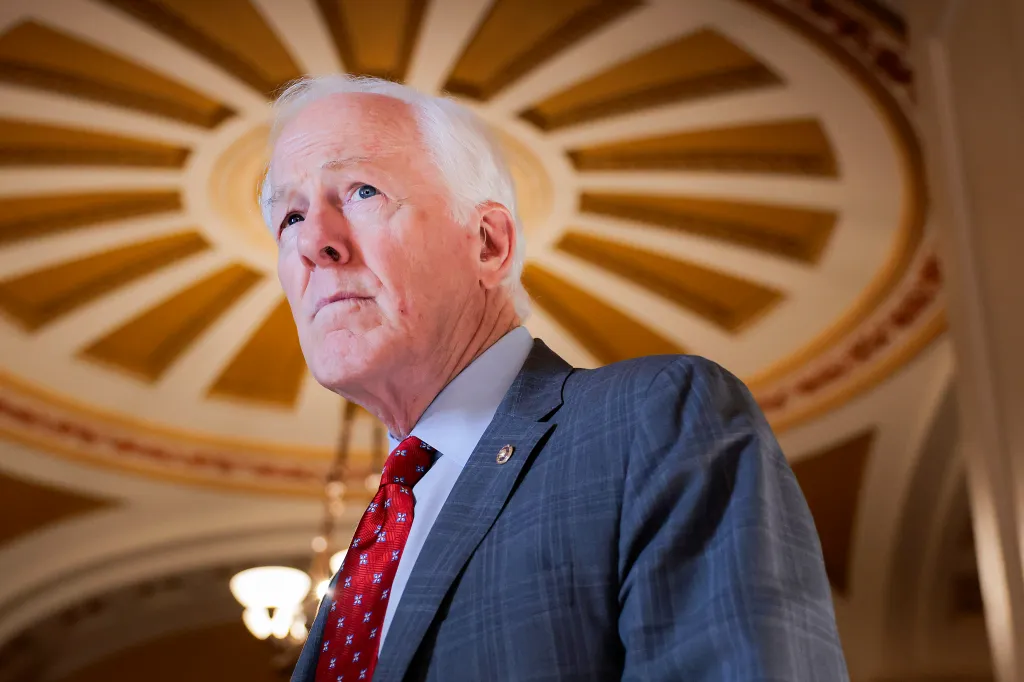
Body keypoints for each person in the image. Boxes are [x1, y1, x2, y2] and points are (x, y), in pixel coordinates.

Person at [262, 74, 849, 682]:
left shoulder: (654, 420)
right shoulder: (374, 540)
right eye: (291, 218)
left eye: (361, 191)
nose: (313, 243)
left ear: (489, 244)